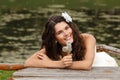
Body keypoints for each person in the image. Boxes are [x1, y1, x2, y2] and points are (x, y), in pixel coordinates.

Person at [24, 12, 118, 70]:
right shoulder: (54, 47)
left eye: (67, 28)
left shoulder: (87, 39)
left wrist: (59, 64)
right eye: (60, 32)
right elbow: (28, 62)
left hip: (100, 67)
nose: (66, 33)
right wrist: (58, 64)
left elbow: (87, 65)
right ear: (54, 38)